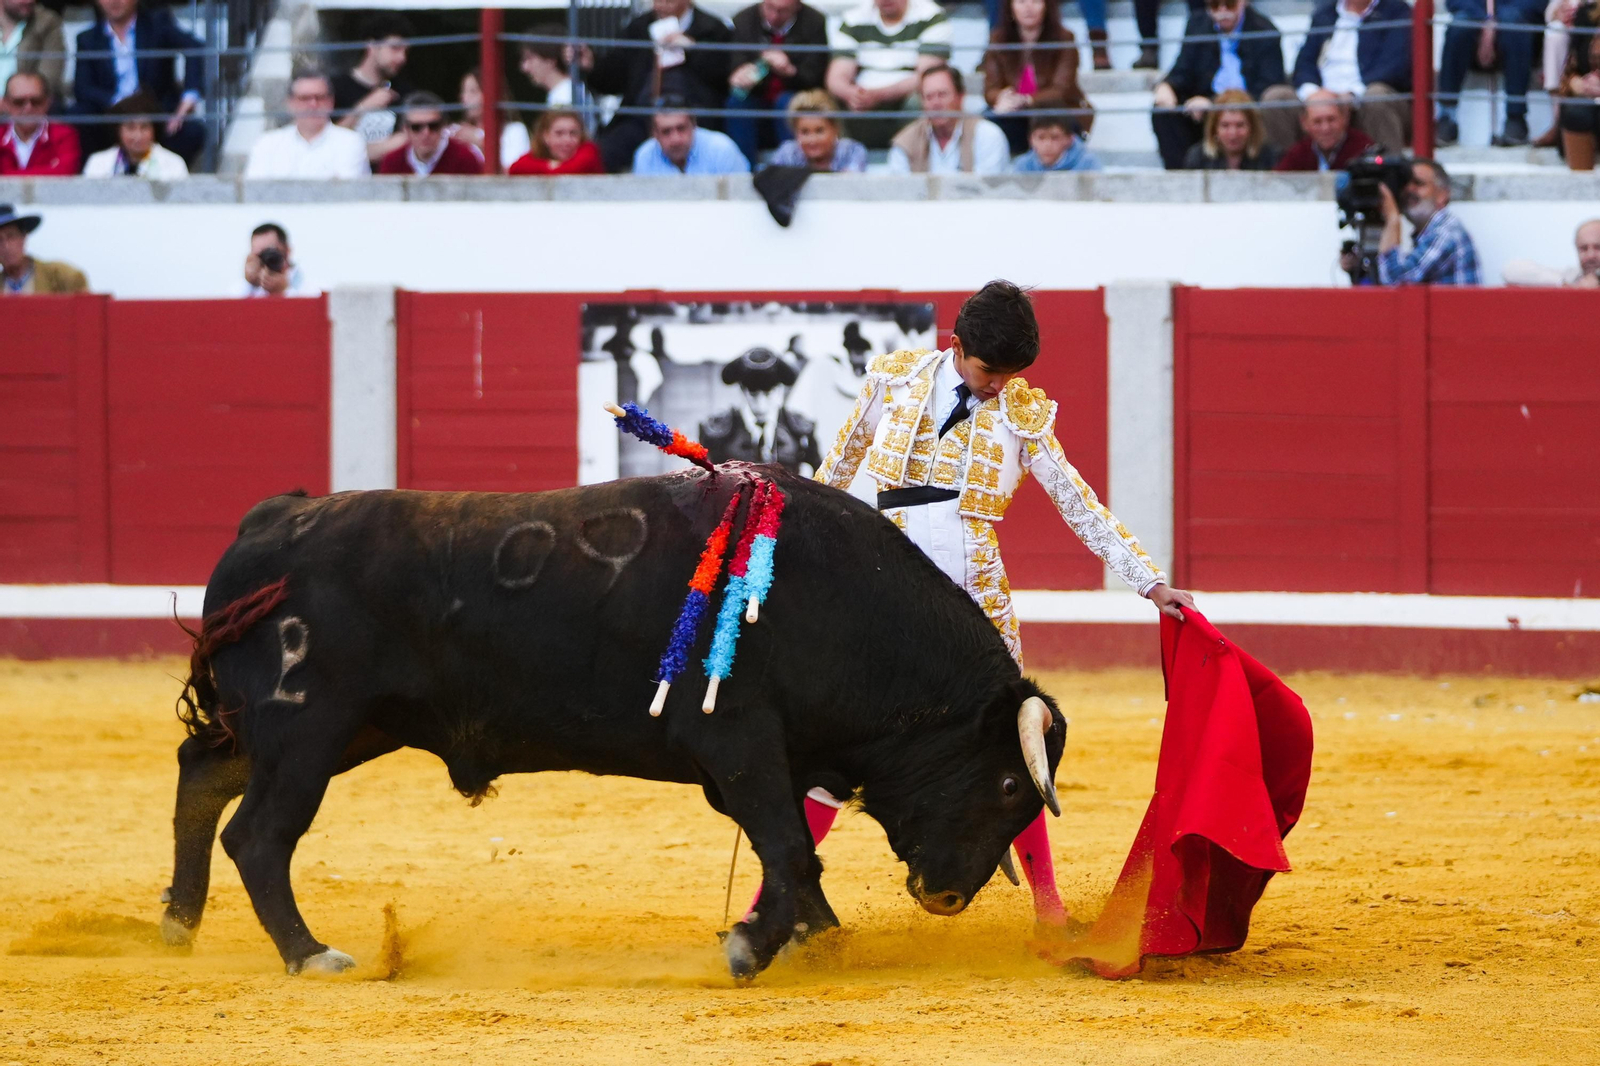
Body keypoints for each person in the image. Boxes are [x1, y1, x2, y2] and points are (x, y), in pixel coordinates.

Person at [812, 280, 1195, 930]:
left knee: (1014, 748)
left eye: (1011, 375)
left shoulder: (1022, 412)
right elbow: (833, 477)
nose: (997, 386)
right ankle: (776, 902)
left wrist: (1150, 583)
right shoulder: (892, 380)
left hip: (975, 598)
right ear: (956, 346)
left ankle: (1049, 908)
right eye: (990, 371)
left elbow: (1079, 504)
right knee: (833, 740)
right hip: (886, 589)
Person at [575, 0, 733, 172]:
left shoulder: (713, 29)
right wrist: (592, 64)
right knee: (604, 153)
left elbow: (724, 76)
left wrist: (693, 49)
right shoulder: (638, 28)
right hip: (642, 116)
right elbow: (614, 79)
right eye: (656, 1)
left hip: (696, 117)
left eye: (668, 1)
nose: (660, 6)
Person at [1151, 0, 1294, 169]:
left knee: (1269, 104)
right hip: (1202, 111)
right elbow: (1182, 71)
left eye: (1229, 4)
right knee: (1163, 110)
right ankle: (1181, 179)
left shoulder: (1265, 31)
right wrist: (1166, 86)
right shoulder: (1198, 25)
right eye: (1214, 5)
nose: (1222, 10)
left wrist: (1216, 104)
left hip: (1250, 113)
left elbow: (1269, 83)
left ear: (1243, 3)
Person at [72, 0, 205, 161]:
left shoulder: (157, 25)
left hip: (155, 112)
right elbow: (83, 88)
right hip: (110, 115)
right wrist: (118, 102)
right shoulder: (87, 39)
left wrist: (187, 99)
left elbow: (194, 48)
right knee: (78, 116)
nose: (114, 1)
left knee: (192, 132)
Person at [826, 0, 953, 149]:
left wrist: (878, 95)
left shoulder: (931, 17)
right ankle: (845, 160)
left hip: (906, 101)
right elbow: (836, 77)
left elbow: (928, 77)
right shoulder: (853, 19)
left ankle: (911, 157)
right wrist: (850, 94)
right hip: (860, 104)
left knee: (921, 101)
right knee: (825, 102)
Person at [1291, 0, 1413, 154]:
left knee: (1376, 96)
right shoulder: (1324, 14)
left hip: (1367, 94)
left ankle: (1388, 169)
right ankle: (1284, 172)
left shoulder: (1396, 11)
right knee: (1278, 97)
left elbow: (1394, 65)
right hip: (1321, 96)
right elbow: (1304, 62)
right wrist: (1313, 94)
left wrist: (1352, 94)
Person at [981, 0, 1093, 156]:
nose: (1028, 7)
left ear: (1047, 5)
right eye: (1021, 2)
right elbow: (990, 89)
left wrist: (1027, 100)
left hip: (1055, 109)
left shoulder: (1064, 37)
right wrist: (1001, 98)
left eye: (1035, 1)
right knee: (989, 120)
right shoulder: (998, 39)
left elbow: (1061, 90)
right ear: (1010, 7)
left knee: (1054, 120)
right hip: (1016, 113)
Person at [726, 0, 830, 165]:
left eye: (782, 11)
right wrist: (740, 75)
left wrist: (790, 71)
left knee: (787, 102)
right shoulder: (744, 19)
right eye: (769, 8)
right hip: (757, 97)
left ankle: (792, 170)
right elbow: (734, 64)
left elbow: (816, 76)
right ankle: (743, 170)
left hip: (793, 95)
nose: (774, 16)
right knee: (737, 102)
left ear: (797, 6)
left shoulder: (814, 22)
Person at [698, 347, 822, 474]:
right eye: (753, 394)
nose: (761, 404)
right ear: (743, 391)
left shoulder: (800, 431)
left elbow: (820, 481)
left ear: (780, 391)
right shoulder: (716, 433)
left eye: (768, 394)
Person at [1436, 0, 1544, 145]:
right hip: (1474, 23)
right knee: (1460, 26)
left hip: (1515, 26)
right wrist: (1484, 20)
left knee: (1514, 24)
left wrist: (1496, 20)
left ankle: (1516, 117)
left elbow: (1535, 4)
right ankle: (1447, 117)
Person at [1364, 159, 1480, 285]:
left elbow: (1396, 282)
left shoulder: (1445, 232)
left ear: (1442, 195)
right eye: (1405, 184)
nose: (1409, 189)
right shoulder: (1429, 232)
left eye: (1418, 183)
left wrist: (1392, 219)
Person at [886, 64, 1010, 174]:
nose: (936, 103)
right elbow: (902, 193)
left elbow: (987, 193)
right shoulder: (905, 143)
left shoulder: (987, 135)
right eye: (929, 97)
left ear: (961, 97)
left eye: (942, 94)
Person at [244, 71, 369, 179]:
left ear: (331, 101)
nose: (313, 104)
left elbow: (345, 194)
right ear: (290, 103)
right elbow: (256, 192)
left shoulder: (350, 142)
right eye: (304, 98)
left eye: (319, 97)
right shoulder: (267, 144)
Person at [332, 13, 413, 169]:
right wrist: (363, 108)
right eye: (395, 48)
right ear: (371, 45)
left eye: (405, 51)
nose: (402, 58)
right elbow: (326, 141)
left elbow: (412, 139)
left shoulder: (404, 92)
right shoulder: (337, 87)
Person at [82, 90, 189, 178]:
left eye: (144, 127)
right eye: (130, 128)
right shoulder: (98, 163)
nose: (138, 136)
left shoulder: (174, 164)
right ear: (118, 130)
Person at [632, 97, 751, 174]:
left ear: (694, 125)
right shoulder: (645, 156)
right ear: (655, 134)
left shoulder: (721, 149)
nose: (676, 139)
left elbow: (741, 200)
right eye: (666, 131)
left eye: (681, 128)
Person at [379, 91, 484, 176]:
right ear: (405, 130)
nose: (426, 133)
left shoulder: (465, 159)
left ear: (443, 126)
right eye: (416, 127)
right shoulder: (392, 162)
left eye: (433, 126)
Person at [453, 66, 531, 173]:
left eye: (473, 91)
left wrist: (480, 143)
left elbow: (514, 173)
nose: (465, 98)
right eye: (463, 92)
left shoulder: (514, 131)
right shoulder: (455, 131)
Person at [767, 89, 868, 170]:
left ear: (835, 129)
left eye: (819, 131)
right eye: (805, 132)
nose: (812, 140)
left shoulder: (852, 151)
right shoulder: (787, 153)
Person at [1274, 89, 1375, 169]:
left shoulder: (1363, 149)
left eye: (1331, 120)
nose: (1325, 128)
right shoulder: (1299, 153)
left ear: (1345, 117)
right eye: (1317, 122)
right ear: (1304, 123)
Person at [0, 70, 78, 175]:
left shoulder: (64, 135)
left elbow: (66, 174)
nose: (28, 108)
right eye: (19, 102)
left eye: (36, 101)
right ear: (5, 103)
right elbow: (57, 175)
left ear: (47, 102)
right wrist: (48, 171)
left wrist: (6, 174)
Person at [1181, 87, 1278, 168]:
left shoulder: (1270, 157)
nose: (1233, 133)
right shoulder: (1198, 157)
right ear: (1214, 128)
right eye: (1225, 125)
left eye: (1240, 125)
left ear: (1252, 127)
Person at [0, 204, 87, 294]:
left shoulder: (63, 278)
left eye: (11, 237)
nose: (6, 246)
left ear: (23, 238)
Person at [1557, 0, 1600, 169]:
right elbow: (1569, 71)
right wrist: (1579, 84)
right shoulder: (1586, 14)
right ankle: (1580, 185)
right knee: (1575, 113)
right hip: (1590, 101)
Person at [1502, 218, 1600, 285]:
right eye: (1583, 248)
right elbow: (1511, 270)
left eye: (1598, 247)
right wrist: (1565, 285)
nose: (1590, 255)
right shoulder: (1572, 277)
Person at [0, 0, 65, 101]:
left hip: (26, 106)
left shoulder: (47, 22)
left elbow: (48, 79)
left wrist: (9, 104)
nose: (29, 1)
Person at [509, 108, 606, 174]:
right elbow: (515, 168)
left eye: (573, 133)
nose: (567, 140)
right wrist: (549, 165)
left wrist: (553, 167)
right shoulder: (537, 154)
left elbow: (567, 172)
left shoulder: (590, 150)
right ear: (545, 136)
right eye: (559, 133)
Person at [1012, 112, 1102, 169]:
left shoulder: (1088, 164)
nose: (1047, 145)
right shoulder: (1022, 165)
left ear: (1069, 139)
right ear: (1031, 140)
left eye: (1055, 138)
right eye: (1041, 138)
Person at [241, 222, 307, 298]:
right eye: (259, 255)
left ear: (287, 250)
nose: (266, 258)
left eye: (270, 251)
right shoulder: (241, 289)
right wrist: (250, 285)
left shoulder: (308, 287)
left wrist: (284, 291)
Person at [519, 30, 574, 108]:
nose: (524, 67)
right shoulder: (560, 93)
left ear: (550, 59)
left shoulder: (565, 96)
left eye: (529, 58)